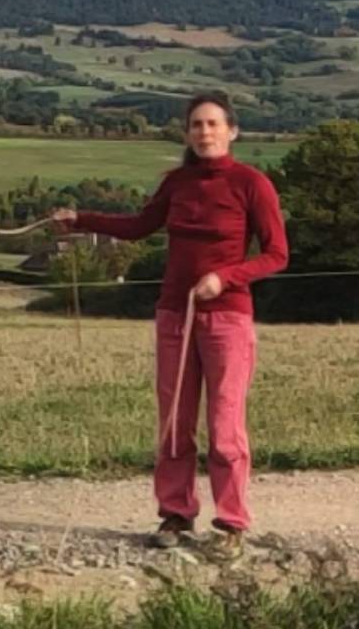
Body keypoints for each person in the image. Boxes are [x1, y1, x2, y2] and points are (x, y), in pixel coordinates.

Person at [52, 93, 287, 559]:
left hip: (228, 317)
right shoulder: (177, 182)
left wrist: (225, 277)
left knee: (224, 427)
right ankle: (176, 513)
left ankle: (231, 523)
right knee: (175, 423)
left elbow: (277, 254)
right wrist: (80, 220)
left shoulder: (252, 184)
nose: (204, 132)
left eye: (213, 124)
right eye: (196, 125)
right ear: (187, 133)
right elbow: (140, 225)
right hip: (174, 315)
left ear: (232, 131)